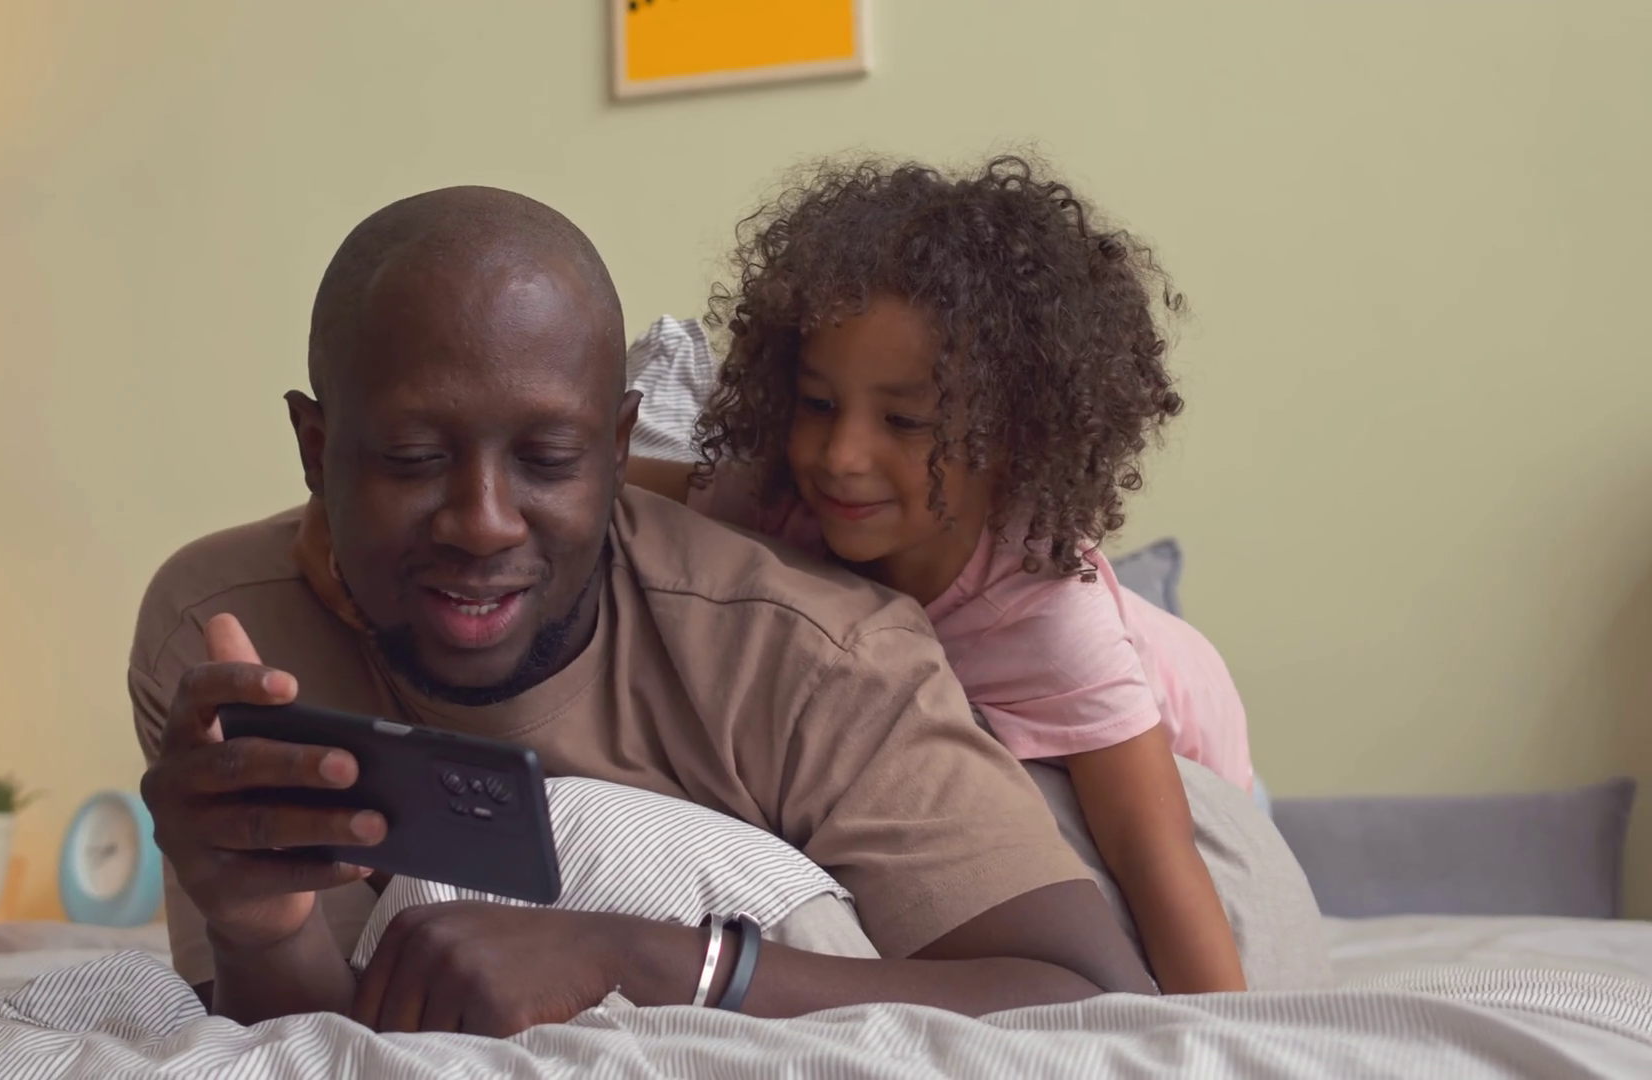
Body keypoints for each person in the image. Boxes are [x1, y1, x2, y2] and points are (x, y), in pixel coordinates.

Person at [131, 185, 1155, 1037]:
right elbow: (326, 1031)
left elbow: (1098, 1002)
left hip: (1082, 775)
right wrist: (260, 930)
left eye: (548, 459)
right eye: (412, 458)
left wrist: (635, 956)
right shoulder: (224, 635)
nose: (483, 523)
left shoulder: (817, 653)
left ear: (620, 450)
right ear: (316, 451)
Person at [624, 156, 1251, 994]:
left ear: (1014, 434)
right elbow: (600, 487)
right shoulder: (780, 502)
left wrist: (1225, 1038)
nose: (842, 457)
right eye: (817, 404)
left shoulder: (1050, 617)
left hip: (1195, 745)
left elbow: (1153, 850)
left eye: (906, 420)